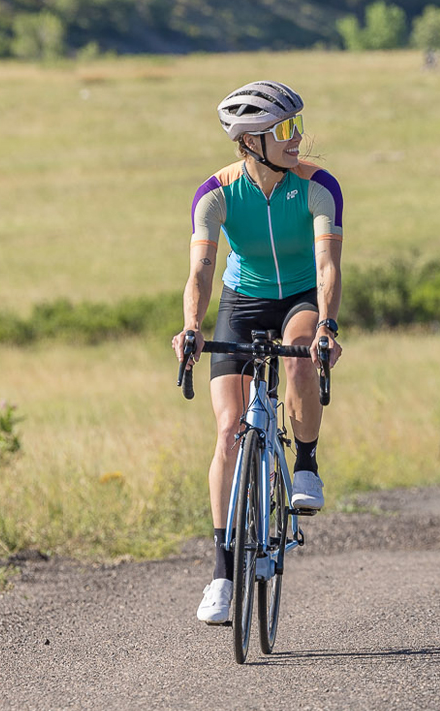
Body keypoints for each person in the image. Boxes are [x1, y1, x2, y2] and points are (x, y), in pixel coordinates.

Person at [172, 80, 344, 625]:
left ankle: (306, 464)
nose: (298, 139)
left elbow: (326, 267)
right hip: (241, 300)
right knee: (227, 432)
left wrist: (327, 326)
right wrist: (191, 327)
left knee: (297, 355)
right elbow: (200, 269)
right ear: (251, 142)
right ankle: (222, 575)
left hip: (298, 296)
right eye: (285, 131)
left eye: (297, 126)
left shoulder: (319, 186)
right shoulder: (215, 193)